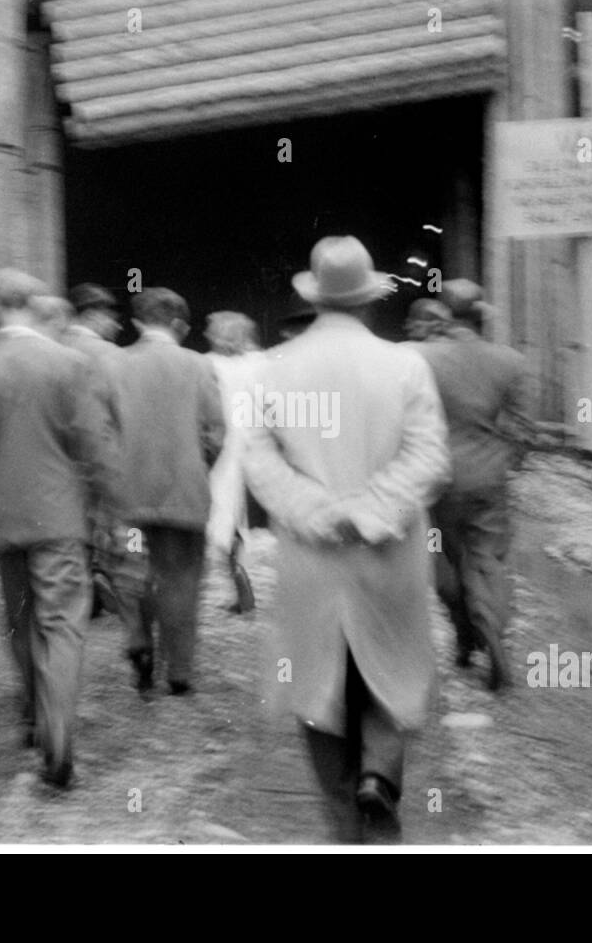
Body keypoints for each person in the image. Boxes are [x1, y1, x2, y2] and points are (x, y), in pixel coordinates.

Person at [243, 236, 451, 843]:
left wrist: (316, 510)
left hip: (312, 556)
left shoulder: (273, 370)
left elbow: (259, 460)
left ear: (315, 296)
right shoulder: (406, 364)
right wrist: (373, 508)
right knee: (392, 669)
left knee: (319, 681)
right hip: (390, 552)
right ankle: (380, 777)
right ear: (367, 302)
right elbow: (430, 457)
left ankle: (344, 822)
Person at [0, 268, 119, 789]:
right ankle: (59, 734)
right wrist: (108, 508)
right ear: (35, 302)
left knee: (19, 621)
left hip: (7, 519)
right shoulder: (68, 365)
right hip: (62, 519)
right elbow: (93, 445)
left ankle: (31, 707)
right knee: (63, 624)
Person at [409, 278, 529, 691]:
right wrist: (508, 460)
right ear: (481, 317)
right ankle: (490, 625)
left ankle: (463, 633)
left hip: (439, 482)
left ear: (444, 316)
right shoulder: (510, 361)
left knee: (443, 559)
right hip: (489, 481)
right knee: (488, 559)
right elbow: (523, 430)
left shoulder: (420, 357)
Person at [112, 287, 225, 695]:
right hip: (183, 491)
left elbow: (101, 430)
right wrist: (198, 462)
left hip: (127, 492)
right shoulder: (198, 365)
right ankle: (178, 674)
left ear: (137, 322)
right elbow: (216, 430)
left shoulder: (115, 364)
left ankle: (139, 641)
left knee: (135, 572)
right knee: (181, 578)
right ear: (178, 324)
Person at [62, 283, 129, 620]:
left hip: (60, 457)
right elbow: (125, 411)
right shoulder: (111, 356)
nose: (115, 325)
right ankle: (105, 580)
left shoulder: (51, 346)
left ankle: (79, 589)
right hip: (103, 450)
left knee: (71, 526)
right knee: (112, 520)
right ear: (90, 315)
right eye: (108, 316)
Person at [203, 311, 262, 615]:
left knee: (224, 515)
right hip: (256, 445)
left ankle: (239, 584)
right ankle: (241, 582)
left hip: (222, 444)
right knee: (237, 516)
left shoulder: (207, 364)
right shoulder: (260, 363)